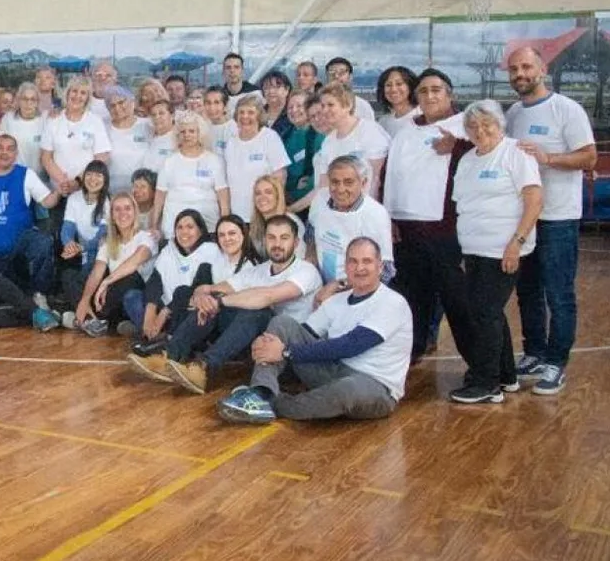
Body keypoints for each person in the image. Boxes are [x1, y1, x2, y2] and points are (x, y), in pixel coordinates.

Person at [217, 237, 412, 424]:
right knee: (282, 323)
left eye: (367, 261)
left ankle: (274, 404)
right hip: (333, 370)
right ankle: (261, 392)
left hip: (375, 386)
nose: (359, 268)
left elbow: (351, 345)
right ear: (346, 266)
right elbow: (300, 333)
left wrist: (285, 352)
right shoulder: (336, 301)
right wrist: (266, 344)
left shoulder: (392, 303)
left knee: (347, 389)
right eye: (353, 261)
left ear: (380, 266)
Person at [505, 46, 597, 395]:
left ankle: (556, 362)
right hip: (525, 219)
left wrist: (549, 158)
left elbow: (589, 157)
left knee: (559, 293)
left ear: (541, 68)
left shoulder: (566, 109)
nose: (520, 74)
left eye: (526, 67)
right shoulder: (513, 112)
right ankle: (534, 352)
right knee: (527, 291)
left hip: (558, 218)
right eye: (514, 69)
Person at [143, 215, 321, 394]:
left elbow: (267, 296)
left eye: (284, 238)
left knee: (256, 311)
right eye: (271, 237)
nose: (277, 244)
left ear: (296, 242)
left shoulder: (306, 271)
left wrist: (219, 301)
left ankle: (203, 368)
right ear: (265, 240)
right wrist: (203, 296)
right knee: (214, 304)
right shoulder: (258, 271)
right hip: (259, 342)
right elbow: (211, 289)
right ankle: (169, 356)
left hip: (290, 349)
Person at [450, 100, 543, 404]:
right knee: (487, 312)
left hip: (504, 250)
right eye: (473, 126)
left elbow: (534, 201)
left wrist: (516, 242)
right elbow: (462, 205)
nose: (480, 130)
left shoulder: (516, 153)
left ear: (499, 124)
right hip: (475, 250)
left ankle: (486, 382)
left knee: (485, 313)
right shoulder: (467, 160)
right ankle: (506, 376)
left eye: (486, 123)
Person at [384, 68, 473, 360]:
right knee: (412, 298)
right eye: (423, 91)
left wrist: (459, 145)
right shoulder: (406, 132)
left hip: (447, 231)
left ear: (450, 94)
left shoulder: (467, 127)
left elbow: (490, 151)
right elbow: (390, 176)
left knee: (458, 303)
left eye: (436, 90)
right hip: (408, 232)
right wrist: (390, 219)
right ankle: (412, 351)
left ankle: (482, 368)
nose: (429, 96)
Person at [0, 134, 60, 297]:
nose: (4, 153)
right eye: (0, 148)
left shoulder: (26, 174)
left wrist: (59, 190)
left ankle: (40, 294)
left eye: (10, 149)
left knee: (43, 242)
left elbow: (48, 202)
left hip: (20, 249)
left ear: (16, 154)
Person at [126, 210, 217, 362]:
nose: (184, 232)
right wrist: (150, 312)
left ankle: (162, 340)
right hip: (164, 307)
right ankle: (153, 333)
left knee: (184, 293)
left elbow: (197, 289)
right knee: (132, 296)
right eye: (179, 227)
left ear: (200, 230)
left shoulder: (209, 250)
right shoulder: (169, 249)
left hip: (185, 310)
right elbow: (155, 281)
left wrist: (163, 314)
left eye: (190, 227)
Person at [308, 156, 394, 305]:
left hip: (359, 294)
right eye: (335, 182)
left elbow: (385, 271)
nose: (340, 189)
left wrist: (336, 287)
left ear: (363, 183)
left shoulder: (375, 214)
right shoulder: (319, 201)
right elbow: (310, 240)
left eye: (348, 182)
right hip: (320, 288)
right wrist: (311, 279)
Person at [70, 192, 157, 336]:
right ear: (112, 215)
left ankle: (91, 319)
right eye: (117, 209)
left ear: (135, 212)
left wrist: (106, 282)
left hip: (136, 296)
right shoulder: (108, 242)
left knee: (131, 279)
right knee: (70, 276)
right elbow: (97, 272)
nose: (123, 213)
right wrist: (85, 300)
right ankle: (91, 318)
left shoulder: (147, 237)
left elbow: (135, 262)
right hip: (113, 299)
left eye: (127, 208)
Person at [150, 111, 229, 240]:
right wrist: (153, 225)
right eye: (183, 132)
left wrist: (224, 224)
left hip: (208, 225)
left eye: (192, 131)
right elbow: (159, 198)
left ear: (200, 133)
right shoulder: (169, 161)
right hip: (173, 227)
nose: (187, 135)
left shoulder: (214, 160)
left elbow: (223, 197)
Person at [40, 76, 111, 213]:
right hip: (59, 192)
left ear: (88, 98)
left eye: (83, 93)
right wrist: (64, 184)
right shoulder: (53, 121)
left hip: (88, 191)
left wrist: (78, 182)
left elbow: (101, 157)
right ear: (67, 93)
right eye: (74, 91)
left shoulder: (95, 121)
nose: (78, 96)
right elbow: (46, 157)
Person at [314, 83, 390, 202]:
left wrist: (364, 209)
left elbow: (377, 178)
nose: (325, 110)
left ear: (348, 105)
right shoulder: (328, 142)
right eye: (322, 106)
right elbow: (324, 184)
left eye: (330, 105)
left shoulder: (369, 131)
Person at [222, 96, 290, 220]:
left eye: (251, 112)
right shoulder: (231, 143)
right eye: (241, 112)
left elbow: (280, 177)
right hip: (238, 217)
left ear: (259, 115)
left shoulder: (269, 137)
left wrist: (278, 213)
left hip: (264, 215)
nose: (245, 117)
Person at [105, 86, 150, 193]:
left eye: (121, 102)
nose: (117, 108)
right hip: (111, 192)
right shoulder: (103, 128)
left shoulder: (148, 125)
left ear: (132, 102)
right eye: (112, 105)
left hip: (143, 192)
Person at [282, 90, 322, 212]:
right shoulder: (284, 136)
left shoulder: (320, 135)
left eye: (299, 106)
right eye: (290, 107)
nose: (294, 110)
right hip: (288, 201)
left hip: (311, 204)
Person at [248, 175, 304, 259]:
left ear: (278, 196)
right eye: (258, 193)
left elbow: (300, 257)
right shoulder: (256, 224)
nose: (262, 197)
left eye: (268, 192)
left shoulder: (291, 221)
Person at [1, 82, 48, 176]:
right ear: (18, 100)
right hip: (15, 176)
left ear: (38, 102)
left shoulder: (45, 119)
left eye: (33, 99)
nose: (28, 103)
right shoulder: (8, 119)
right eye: (25, 99)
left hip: (40, 177)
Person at [324, 57, 377, 122]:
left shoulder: (363, 106)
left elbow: (370, 130)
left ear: (350, 76)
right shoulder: (319, 105)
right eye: (332, 72)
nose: (336, 76)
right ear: (327, 76)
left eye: (341, 72)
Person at [210, 214, 258, 282]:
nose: (227, 238)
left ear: (243, 235)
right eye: (221, 235)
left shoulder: (251, 268)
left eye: (232, 233)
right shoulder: (215, 259)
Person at [376, 66, 420, 138]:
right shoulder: (383, 122)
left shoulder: (423, 118)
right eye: (388, 85)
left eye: (399, 84)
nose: (393, 89)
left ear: (410, 86)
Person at [142, 100, 177, 180]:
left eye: (161, 113)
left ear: (172, 115)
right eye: (153, 115)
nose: (157, 117)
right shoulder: (151, 138)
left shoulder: (179, 139)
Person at [201, 88, 235, 158]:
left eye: (217, 103)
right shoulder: (202, 129)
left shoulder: (234, 129)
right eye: (208, 103)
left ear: (225, 106)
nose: (212, 108)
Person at [260, 71, 294, 138]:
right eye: (267, 87)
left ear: (287, 89)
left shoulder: (293, 113)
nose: (271, 91)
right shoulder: (257, 113)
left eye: (277, 87)